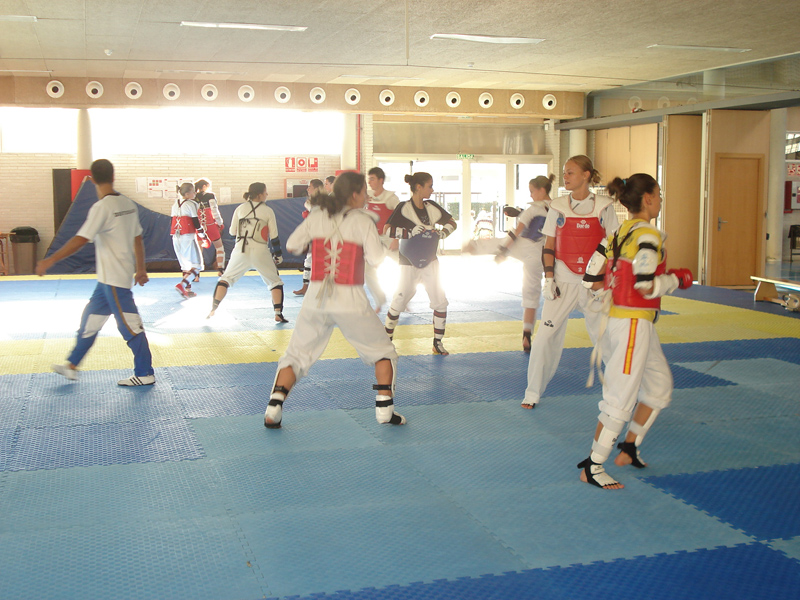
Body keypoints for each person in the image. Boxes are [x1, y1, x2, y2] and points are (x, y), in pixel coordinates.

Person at [576, 173, 693, 489]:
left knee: (658, 386)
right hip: (631, 326)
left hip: (626, 323)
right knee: (620, 397)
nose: (660, 199)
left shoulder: (616, 233)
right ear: (649, 198)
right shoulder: (647, 235)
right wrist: (676, 280)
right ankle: (593, 466)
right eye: (659, 193)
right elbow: (645, 285)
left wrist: (609, 292)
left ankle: (629, 446)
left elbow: (589, 277)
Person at [264, 172, 405, 428]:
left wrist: (320, 240)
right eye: (364, 192)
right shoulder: (363, 221)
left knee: (295, 355)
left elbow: (293, 244)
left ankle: (274, 408)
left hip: (316, 296)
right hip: (349, 298)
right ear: (354, 194)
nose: (367, 196)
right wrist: (385, 246)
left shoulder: (318, 215)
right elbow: (376, 259)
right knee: (384, 352)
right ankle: (385, 411)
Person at [35, 158, 156, 386]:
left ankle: (145, 373)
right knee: (89, 321)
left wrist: (49, 260)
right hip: (106, 281)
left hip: (115, 280)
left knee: (130, 326)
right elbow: (137, 238)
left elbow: (80, 239)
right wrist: (141, 268)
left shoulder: (102, 207)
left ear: (91, 179)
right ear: (113, 176)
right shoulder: (127, 203)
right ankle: (72, 366)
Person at [522, 155, 619, 408]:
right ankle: (532, 393)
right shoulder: (557, 206)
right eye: (564, 173)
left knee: (606, 340)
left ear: (586, 175)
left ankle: (620, 393)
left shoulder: (605, 206)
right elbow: (549, 245)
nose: (565, 177)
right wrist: (549, 278)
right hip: (562, 282)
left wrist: (609, 282)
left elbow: (614, 246)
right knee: (544, 338)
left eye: (571, 172)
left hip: (594, 284)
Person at [383, 172, 457, 355]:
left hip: (431, 260)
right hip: (408, 262)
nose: (432, 189)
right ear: (418, 187)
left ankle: (437, 343)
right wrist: (408, 233)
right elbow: (387, 230)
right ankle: (385, 342)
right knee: (399, 302)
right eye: (429, 186)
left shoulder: (432, 207)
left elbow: (452, 222)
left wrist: (443, 233)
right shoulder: (403, 207)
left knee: (440, 302)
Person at [208, 182, 287, 321]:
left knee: (226, 279)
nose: (267, 194)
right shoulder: (268, 211)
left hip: (240, 250)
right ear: (260, 194)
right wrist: (278, 255)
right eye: (265, 192)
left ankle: (213, 308)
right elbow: (274, 237)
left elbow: (232, 232)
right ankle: (278, 313)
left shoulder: (239, 209)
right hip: (261, 251)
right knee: (275, 282)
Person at [495, 174, 554, 352]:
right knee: (556, 294)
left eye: (531, 191)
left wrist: (504, 250)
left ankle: (527, 333)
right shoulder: (560, 207)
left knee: (530, 293)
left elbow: (516, 231)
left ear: (541, 190)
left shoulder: (532, 209)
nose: (530, 195)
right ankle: (550, 332)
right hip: (555, 255)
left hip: (534, 255)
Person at [364, 166, 400, 311]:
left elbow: (400, 217)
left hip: (390, 238)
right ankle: (379, 299)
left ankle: (402, 298)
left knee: (404, 269)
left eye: (372, 179)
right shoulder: (367, 195)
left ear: (381, 180)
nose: (370, 182)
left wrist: (396, 239)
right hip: (374, 240)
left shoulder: (391, 198)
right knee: (368, 271)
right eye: (369, 179)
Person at [171, 182, 208, 298]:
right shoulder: (191, 204)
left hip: (175, 237)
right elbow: (196, 222)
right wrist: (204, 237)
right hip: (187, 236)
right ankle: (182, 285)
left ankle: (187, 289)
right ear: (187, 194)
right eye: (193, 191)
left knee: (186, 266)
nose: (195, 193)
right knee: (197, 265)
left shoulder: (175, 204)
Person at [293, 179, 325, 296]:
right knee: (309, 261)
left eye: (309, 187)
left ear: (316, 188)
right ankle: (305, 287)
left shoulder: (323, 201)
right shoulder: (313, 201)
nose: (307, 189)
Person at [195, 178, 226, 275]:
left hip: (199, 226)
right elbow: (215, 211)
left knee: (198, 250)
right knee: (219, 247)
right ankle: (220, 270)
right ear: (204, 186)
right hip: (210, 225)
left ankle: (196, 273)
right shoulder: (210, 196)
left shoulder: (193, 197)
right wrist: (220, 223)